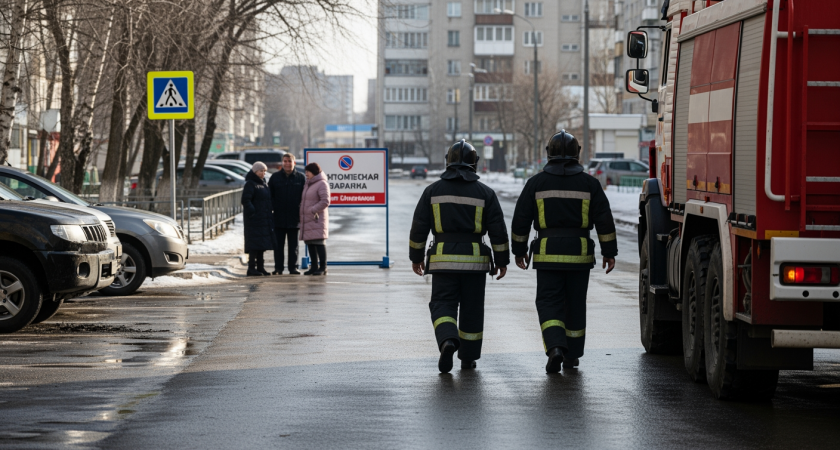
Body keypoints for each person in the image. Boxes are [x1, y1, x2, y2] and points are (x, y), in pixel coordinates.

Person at [510, 130, 618, 373]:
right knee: (575, 304)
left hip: (547, 256)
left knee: (549, 302)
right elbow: (604, 221)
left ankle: (555, 347)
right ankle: (572, 355)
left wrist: (519, 250)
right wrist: (609, 252)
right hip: (579, 256)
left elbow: (521, 220)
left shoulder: (536, 183)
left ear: (548, 154)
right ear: (577, 154)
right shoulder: (590, 184)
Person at [409, 140, 510, 374]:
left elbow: (419, 228)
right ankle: (468, 358)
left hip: (443, 261)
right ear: (474, 163)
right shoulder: (486, 193)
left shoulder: (432, 191)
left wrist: (416, 257)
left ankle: (447, 341)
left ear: (448, 161)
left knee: (442, 304)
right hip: (475, 263)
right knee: (472, 309)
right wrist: (502, 261)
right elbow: (498, 231)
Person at [269, 153, 306, 275]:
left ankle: (293, 268)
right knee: (278, 246)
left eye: (289, 161)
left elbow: (305, 197)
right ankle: (278, 268)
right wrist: (273, 208)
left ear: (294, 163)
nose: (287, 163)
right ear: (282, 163)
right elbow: (270, 196)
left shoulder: (300, 178)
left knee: (293, 246)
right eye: (285, 161)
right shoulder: (275, 177)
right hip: (278, 217)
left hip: (294, 217)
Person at [241, 162, 276, 277]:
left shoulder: (264, 183)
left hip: (264, 218)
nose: (263, 173)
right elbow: (246, 200)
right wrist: (253, 212)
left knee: (261, 245)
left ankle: (261, 268)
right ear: (255, 172)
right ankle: (251, 268)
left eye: (265, 171)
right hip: (254, 219)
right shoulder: (250, 184)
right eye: (261, 171)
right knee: (254, 245)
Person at [299, 162, 330, 276]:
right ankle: (314, 267)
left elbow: (325, 201)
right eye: (305, 171)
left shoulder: (322, 183)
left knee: (319, 243)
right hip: (308, 218)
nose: (306, 173)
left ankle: (323, 267)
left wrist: (312, 210)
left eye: (308, 171)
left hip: (317, 217)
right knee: (310, 243)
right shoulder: (308, 183)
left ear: (314, 172)